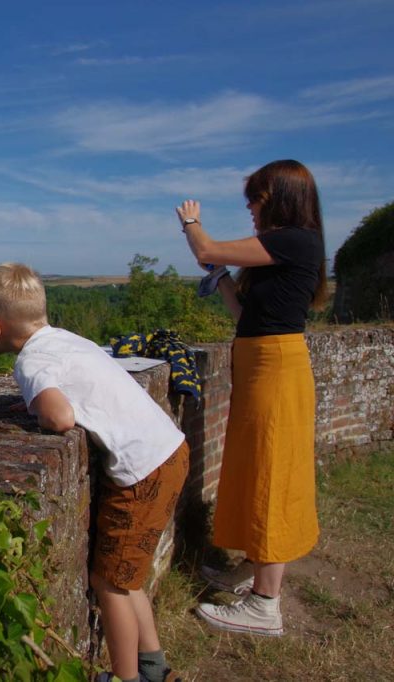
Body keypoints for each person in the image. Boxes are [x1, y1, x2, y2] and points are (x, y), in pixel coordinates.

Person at [0, 263, 187, 682]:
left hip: (143, 471)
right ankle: (153, 666)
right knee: (128, 575)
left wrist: (41, 404)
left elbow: (61, 417)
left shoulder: (31, 363)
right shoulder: (66, 340)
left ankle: (126, 678)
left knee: (109, 583)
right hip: (169, 449)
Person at [175, 159, 327, 637]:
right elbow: (247, 315)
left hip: (276, 370)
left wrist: (191, 223)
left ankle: (265, 606)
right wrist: (220, 279)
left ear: (280, 197)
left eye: (256, 199)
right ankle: (257, 569)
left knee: (272, 473)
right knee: (255, 467)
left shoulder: (294, 240)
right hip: (261, 363)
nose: (250, 208)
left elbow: (206, 245)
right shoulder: (281, 249)